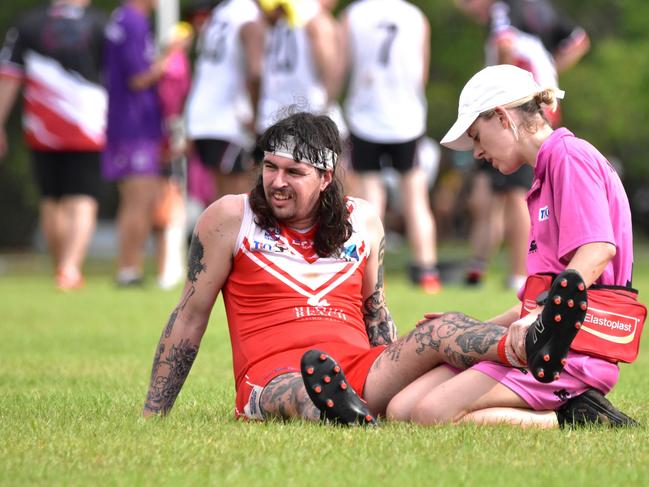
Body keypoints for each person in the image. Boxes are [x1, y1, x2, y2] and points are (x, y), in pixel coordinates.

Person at [141, 111, 619, 428]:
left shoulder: (361, 220)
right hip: (275, 373)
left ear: (326, 177)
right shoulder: (229, 217)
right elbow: (189, 316)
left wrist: (400, 368)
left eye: (293, 173)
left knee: (442, 327)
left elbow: (377, 313)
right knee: (298, 391)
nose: (276, 183)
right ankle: (338, 412)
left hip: (359, 368)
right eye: (270, 167)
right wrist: (153, 414)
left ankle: (531, 345)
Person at [385, 64, 638, 428]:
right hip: (539, 338)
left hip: (570, 348)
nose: (476, 152)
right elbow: (539, 296)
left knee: (431, 413)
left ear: (503, 118)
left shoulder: (570, 157)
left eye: (476, 136)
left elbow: (597, 250)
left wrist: (540, 316)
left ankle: (569, 416)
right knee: (401, 408)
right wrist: (467, 330)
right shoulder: (543, 176)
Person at [456, 0, 590, 290]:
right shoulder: (543, 9)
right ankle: (479, 265)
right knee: (491, 192)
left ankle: (520, 274)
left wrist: (499, 92)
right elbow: (579, 41)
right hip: (531, 106)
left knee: (517, 193)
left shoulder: (503, 9)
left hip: (516, 112)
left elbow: (504, 45)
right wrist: (549, 75)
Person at [0, 0, 107, 291]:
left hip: (42, 126)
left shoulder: (27, 23)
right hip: (88, 124)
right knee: (82, 198)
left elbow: (9, 76)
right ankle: (70, 268)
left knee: (51, 199)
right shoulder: (100, 23)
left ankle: (61, 265)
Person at [340, 0, 441, 294]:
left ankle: (368, 269)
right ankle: (427, 270)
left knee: (370, 198)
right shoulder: (416, 17)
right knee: (416, 196)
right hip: (407, 118)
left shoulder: (353, 15)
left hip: (366, 115)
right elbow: (421, 74)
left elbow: (343, 65)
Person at [103, 0, 168, 286]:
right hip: (135, 123)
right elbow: (139, 77)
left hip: (124, 122)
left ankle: (127, 267)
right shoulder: (134, 21)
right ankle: (129, 269)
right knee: (141, 198)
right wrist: (171, 57)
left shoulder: (120, 17)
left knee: (131, 199)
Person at [185, 0, 265, 200]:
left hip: (204, 114)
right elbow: (255, 72)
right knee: (240, 201)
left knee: (222, 199)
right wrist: (256, 117)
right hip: (228, 118)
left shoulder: (222, 11)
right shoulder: (249, 15)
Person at [255, 0, 344, 134]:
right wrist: (326, 106)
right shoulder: (317, 18)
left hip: (271, 117)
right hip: (310, 117)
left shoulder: (274, 13)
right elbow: (331, 71)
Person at [153, 22, 195, 290]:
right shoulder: (175, 63)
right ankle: (170, 266)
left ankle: (171, 266)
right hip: (170, 136)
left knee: (171, 202)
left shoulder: (169, 63)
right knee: (170, 202)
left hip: (169, 135)